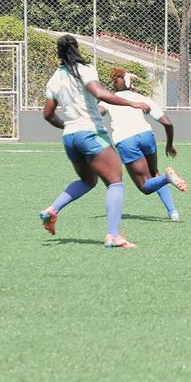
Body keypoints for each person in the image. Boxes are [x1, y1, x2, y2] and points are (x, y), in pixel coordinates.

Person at [38, 35, 149, 248]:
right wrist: (131, 103)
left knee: (88, 181)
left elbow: (48, 114)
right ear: (77, 50)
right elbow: (100, 93)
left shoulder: (54, 79)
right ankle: (113, 236)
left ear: (59, 54)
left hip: (70, 137)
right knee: (115, 182)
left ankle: (52, 210)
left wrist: (68, 126)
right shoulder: (85, 69)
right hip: (91, 132)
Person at [99, 68, 187, 222]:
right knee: (154, 174)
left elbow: (97, 113)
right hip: (146, 136)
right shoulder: (142, 98)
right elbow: (168, 123)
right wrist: (169, 144)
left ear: (114, 82)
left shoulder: (109, 99)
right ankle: (173, 212)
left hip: (126, 140)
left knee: (145, 187)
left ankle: (168, 178)